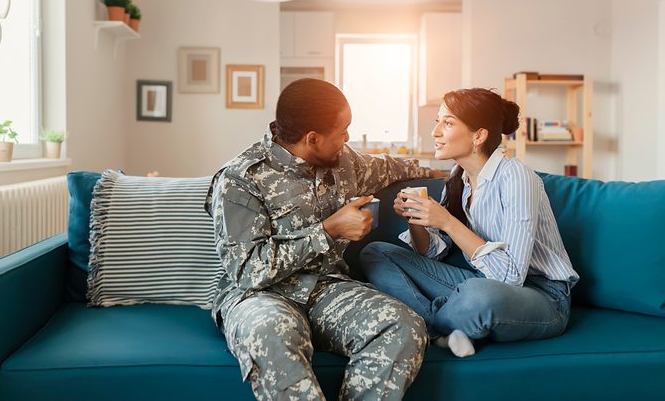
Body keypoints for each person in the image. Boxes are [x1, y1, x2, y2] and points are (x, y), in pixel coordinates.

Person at [205, 78, 441, 401]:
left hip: (327, 289)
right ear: (312, 139)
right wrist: (328, 230)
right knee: (271, 335)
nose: (348, 138)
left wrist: (448, 172)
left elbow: (387, 167)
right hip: (260, 296)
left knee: (403, 326)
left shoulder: (345, 162)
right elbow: (247, 271)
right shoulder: (240, 179)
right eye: (343, 131)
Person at [360, 88, 579, 358]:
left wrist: (448, 222)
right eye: (437, 122)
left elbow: (511, 277)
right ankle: (445, 326)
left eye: (448, 123)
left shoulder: (517, 178)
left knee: (479, 295)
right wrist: (415, 220)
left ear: (478, 135)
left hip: (542, 296)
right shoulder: (458, 178)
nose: (436, 132)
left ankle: (431, 321)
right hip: (481, 280)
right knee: (377, 253)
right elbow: (434, 253)